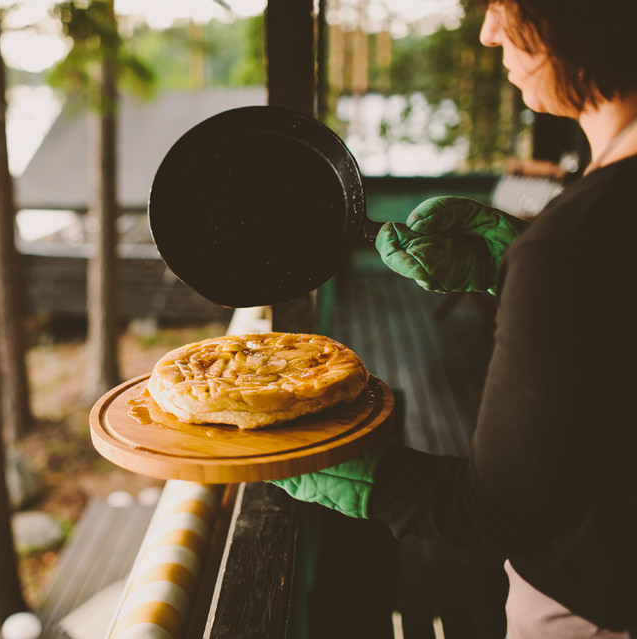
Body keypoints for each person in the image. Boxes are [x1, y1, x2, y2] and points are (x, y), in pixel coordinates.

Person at [269, 0, 637, 636]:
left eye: (503, 6)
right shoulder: (585, 225)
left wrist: (368, 478)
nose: (489, 30)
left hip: (598, 603)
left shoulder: (572, 242)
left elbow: (497, 507)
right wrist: (517, 260)